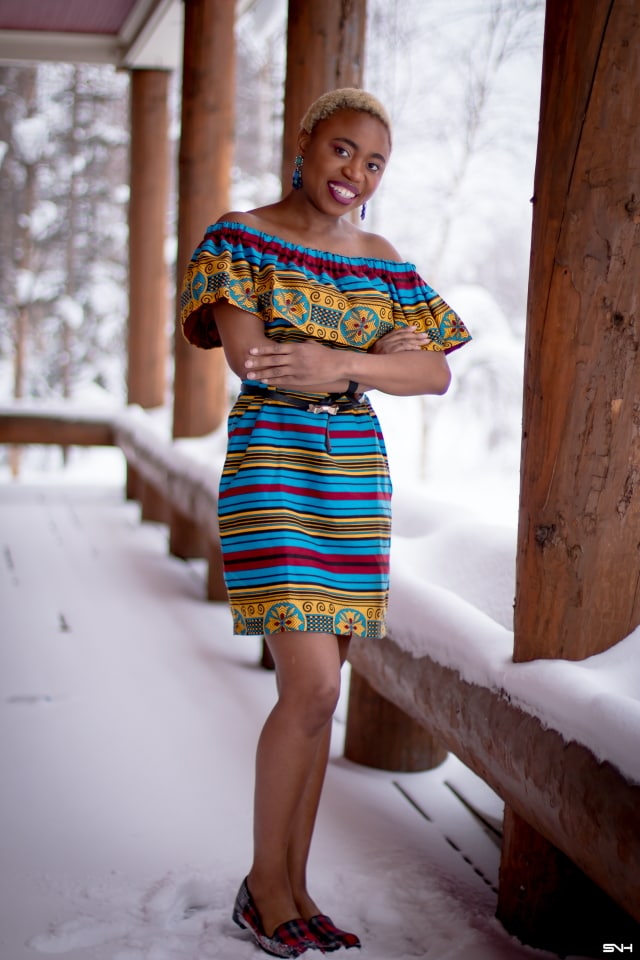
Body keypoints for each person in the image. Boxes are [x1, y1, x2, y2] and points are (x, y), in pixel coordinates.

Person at [180, 87, 471, 958]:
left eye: (374, 162)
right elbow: (253, 358)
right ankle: (265, 886)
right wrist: (367, 361)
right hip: (271, 470)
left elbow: (435, 374)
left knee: (321, 696)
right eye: (343, 150)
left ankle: (291, 889)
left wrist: (341, 360)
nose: (355, 173)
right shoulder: (239, 237)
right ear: (306, 143)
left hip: (353, 488)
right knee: (307, 686)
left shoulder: (384, 261)